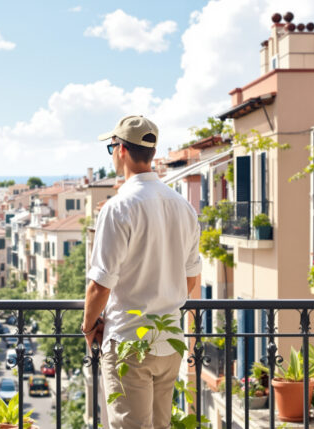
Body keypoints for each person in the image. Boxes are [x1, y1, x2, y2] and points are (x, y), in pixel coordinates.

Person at [82, 115, 201, 428]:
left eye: (111, 147)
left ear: (121, 150)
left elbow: (100, 284)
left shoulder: (118, 208)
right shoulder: (183, 207)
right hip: (171, 341)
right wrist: (162, 298)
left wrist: (88, 326)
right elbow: (191, 277)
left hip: (130, 342)